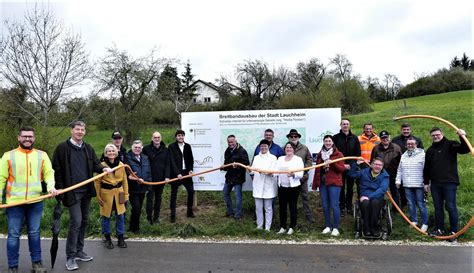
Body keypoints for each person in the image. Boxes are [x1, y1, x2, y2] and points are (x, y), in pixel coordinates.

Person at [52, 121, 112, 271]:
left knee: (84, 220)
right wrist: (60, 189)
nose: (80, 132)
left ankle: (79, 250)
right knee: (76, 222)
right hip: (71, 192)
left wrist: (103, 169)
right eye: (77, 129)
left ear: (85, 132)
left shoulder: (88, 148)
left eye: (82, 130)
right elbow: (56, 170)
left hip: (86, 192)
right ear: (71, 131)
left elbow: (96, 165)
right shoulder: (62, 148)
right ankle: (70, 257)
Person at [0, 126, 59, 273]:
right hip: (14, 203)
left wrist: (51, 187)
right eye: (24, 136)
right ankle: (13, 266)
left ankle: (37, 264)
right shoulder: (8, 156)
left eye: (30, 136)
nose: (27, 139)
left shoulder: (42, 155)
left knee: (34, 233)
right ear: (18, 138)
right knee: (13, 234)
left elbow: (49, 174)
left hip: (35, 202)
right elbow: (1, 178)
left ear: (34, 138)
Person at [424, 127, 469, 240]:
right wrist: (426, 183)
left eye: (437, 134)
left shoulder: (450, 144)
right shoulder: (430, 150)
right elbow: (427, 168)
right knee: (438, 207)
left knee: (450, 206)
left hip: (449, 182)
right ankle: (440, 229)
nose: (435, 136)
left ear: (442, 134)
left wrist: (462, 136)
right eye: (433, 135)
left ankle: (454, 232)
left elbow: (465, 149)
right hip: (435, 184)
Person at [95, 144, 129, 249]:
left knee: (121, 216)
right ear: (106, 153)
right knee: (106, 217)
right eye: (109, 151)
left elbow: (124, 181)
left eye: (113, 151)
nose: (111, 153)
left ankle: (120, 237)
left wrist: (126, 194)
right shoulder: (101, 165)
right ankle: (108, 238)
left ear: (116, 152)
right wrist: (98, 196)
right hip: (106, 193)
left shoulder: (121, 164)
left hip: (120, 192)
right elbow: (97, 182)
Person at [312, 135, 346, 236]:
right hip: (323, 183)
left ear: (332, 142)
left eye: (329, 141)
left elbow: (341, 169)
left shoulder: (338, 154)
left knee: (335, 205)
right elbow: (317, 170)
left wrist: (333, 163)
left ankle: (336, 227)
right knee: (325, 205)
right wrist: (315, 184)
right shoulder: (320, 154)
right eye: (326, 141)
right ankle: (328, 226)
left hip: (334, 183)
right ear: (323, 142)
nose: (328, 143)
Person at [348, 157, 389, 237]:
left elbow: (382, 189)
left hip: (377, 198)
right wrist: (356, 164)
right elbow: (351, 174)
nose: (377, 166)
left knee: (374, 203)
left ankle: (374, 228)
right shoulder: (364, 172)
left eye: (380, 165)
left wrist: (369, 197)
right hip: (364, 198)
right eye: (376, 164)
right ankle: (366, 228)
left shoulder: (385, 176)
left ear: (382, 166)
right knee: (365, 203)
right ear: (371, 165)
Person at [395, 137, 428, 232]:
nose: (410, 145)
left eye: (412, 144)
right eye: (408, 144)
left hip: (419, 184)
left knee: (421, 204)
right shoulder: (404, 155)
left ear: (416, 145)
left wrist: (426, 182)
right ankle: (414, 221)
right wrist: (398, 180)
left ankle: (425, 223)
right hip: (407, 184)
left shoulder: (422, 155)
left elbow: (426, 170)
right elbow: (400, 169)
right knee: (410, 203)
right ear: (406, 145)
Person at [332, 118, 361, 216]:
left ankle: (349, 206)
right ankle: (342, 207)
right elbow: (333, 153)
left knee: (350, 188)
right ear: (340, 125)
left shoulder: (354, 138)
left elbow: (357, 153)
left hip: (351, 167)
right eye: (343, 124)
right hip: (339, 166)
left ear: (349, 125)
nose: (345, 125)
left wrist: (351, 164)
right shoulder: (335, 138)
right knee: (341, 187)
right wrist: (342, 164)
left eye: (347, 124)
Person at [286, 129, 315, 223]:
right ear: (289, 138)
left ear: (298, 137)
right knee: (291, 199)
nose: (293, 138)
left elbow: (309, 159)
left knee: (305, 197)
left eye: (295, 136)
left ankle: (309, 217)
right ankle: (291, 218)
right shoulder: (285, 148)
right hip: (290, 179)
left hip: (303, 178)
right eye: (291, 136)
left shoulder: (304, 148)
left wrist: (304, 170)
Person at [275, 142, 304, 235]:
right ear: (285, 149)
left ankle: (292, 226)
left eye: (290, 147)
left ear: (294, 149)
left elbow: (300, 174)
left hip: (293, 188)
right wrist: (271, 174)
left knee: (292, 207)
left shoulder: (298, 159)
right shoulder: (280, 159)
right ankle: (283, 227)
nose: (288, 149)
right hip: (282, 187)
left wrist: (293, 174)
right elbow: (275, 171)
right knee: (282, 207)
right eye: (287, 147)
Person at [370, 130, 404, 208]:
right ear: (380, 139)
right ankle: (379, 208)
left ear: (389, 137)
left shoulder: (396, 148)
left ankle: (396, 209)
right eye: (383, 138)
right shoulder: (376, 148)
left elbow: (401, 162)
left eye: (386, 137)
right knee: (379, 191)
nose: (385, 139)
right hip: (380, 174)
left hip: (393, 174)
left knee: (394, 192)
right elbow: (372, 161)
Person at [250, 139, 278, 231]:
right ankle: (259, 226)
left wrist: (265, 172)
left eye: (265, 146)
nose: (263, 148)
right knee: (258, 208)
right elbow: (253, 170)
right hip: (258, 185)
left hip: (268, 185)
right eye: (262, 146)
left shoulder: (273, 158)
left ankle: (267, 227)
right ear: (259, 147)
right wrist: (251, 170)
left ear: (268, 147)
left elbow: (274, 171)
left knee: (268, 208)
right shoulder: (256, 158)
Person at [143, 131, 169, 224]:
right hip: (150, 179)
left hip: (161, 178)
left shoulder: (165, 150)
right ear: (152, 138)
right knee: (150, 198)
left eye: (158, 137)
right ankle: (149, 218)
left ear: (160, 138)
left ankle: (156, 218)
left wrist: (167, 176)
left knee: (159, 198)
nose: (157, 139)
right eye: (155, 137)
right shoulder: (146, 149)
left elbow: (167, 164)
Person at [168, 129, 195, 222]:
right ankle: (172, 215)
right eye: (179, 135)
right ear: (176, 137)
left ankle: (189, 212)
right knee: (174, 195)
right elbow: (172, 161)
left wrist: (191, 170)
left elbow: (191, 159)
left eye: (182, 135)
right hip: (176, 174)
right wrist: (177, 173)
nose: (181, 137)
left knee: (191, 191)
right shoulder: (171, 147)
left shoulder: (188, 146)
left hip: (186, 173)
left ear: (184, 136)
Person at [222, 135, 250, 220]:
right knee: (225, 193)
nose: (230, 144)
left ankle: (238, 215)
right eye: (229, 142)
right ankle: (230, 212)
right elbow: (226, 164)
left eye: (232, 142)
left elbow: (246, 164)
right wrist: (224, 167)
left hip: (238, 177)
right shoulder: (227, 151)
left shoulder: (242, 151)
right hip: (229, 177)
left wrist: (237, 166)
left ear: (235, 141)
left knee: (238, 196)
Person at [126, 140, 152, 233]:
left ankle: (131, 227)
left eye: (139, 147)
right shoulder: (127, 157)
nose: (137, 149)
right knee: (136, 207)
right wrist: (131, 178)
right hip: (133, 188)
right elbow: (126, 173)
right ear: (132, 148)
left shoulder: (145, 157)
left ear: (142, 148)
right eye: (135, 147)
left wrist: (148, 185)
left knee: (138, 208)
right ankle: (136, 229)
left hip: (143, 187)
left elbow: (148, 171)